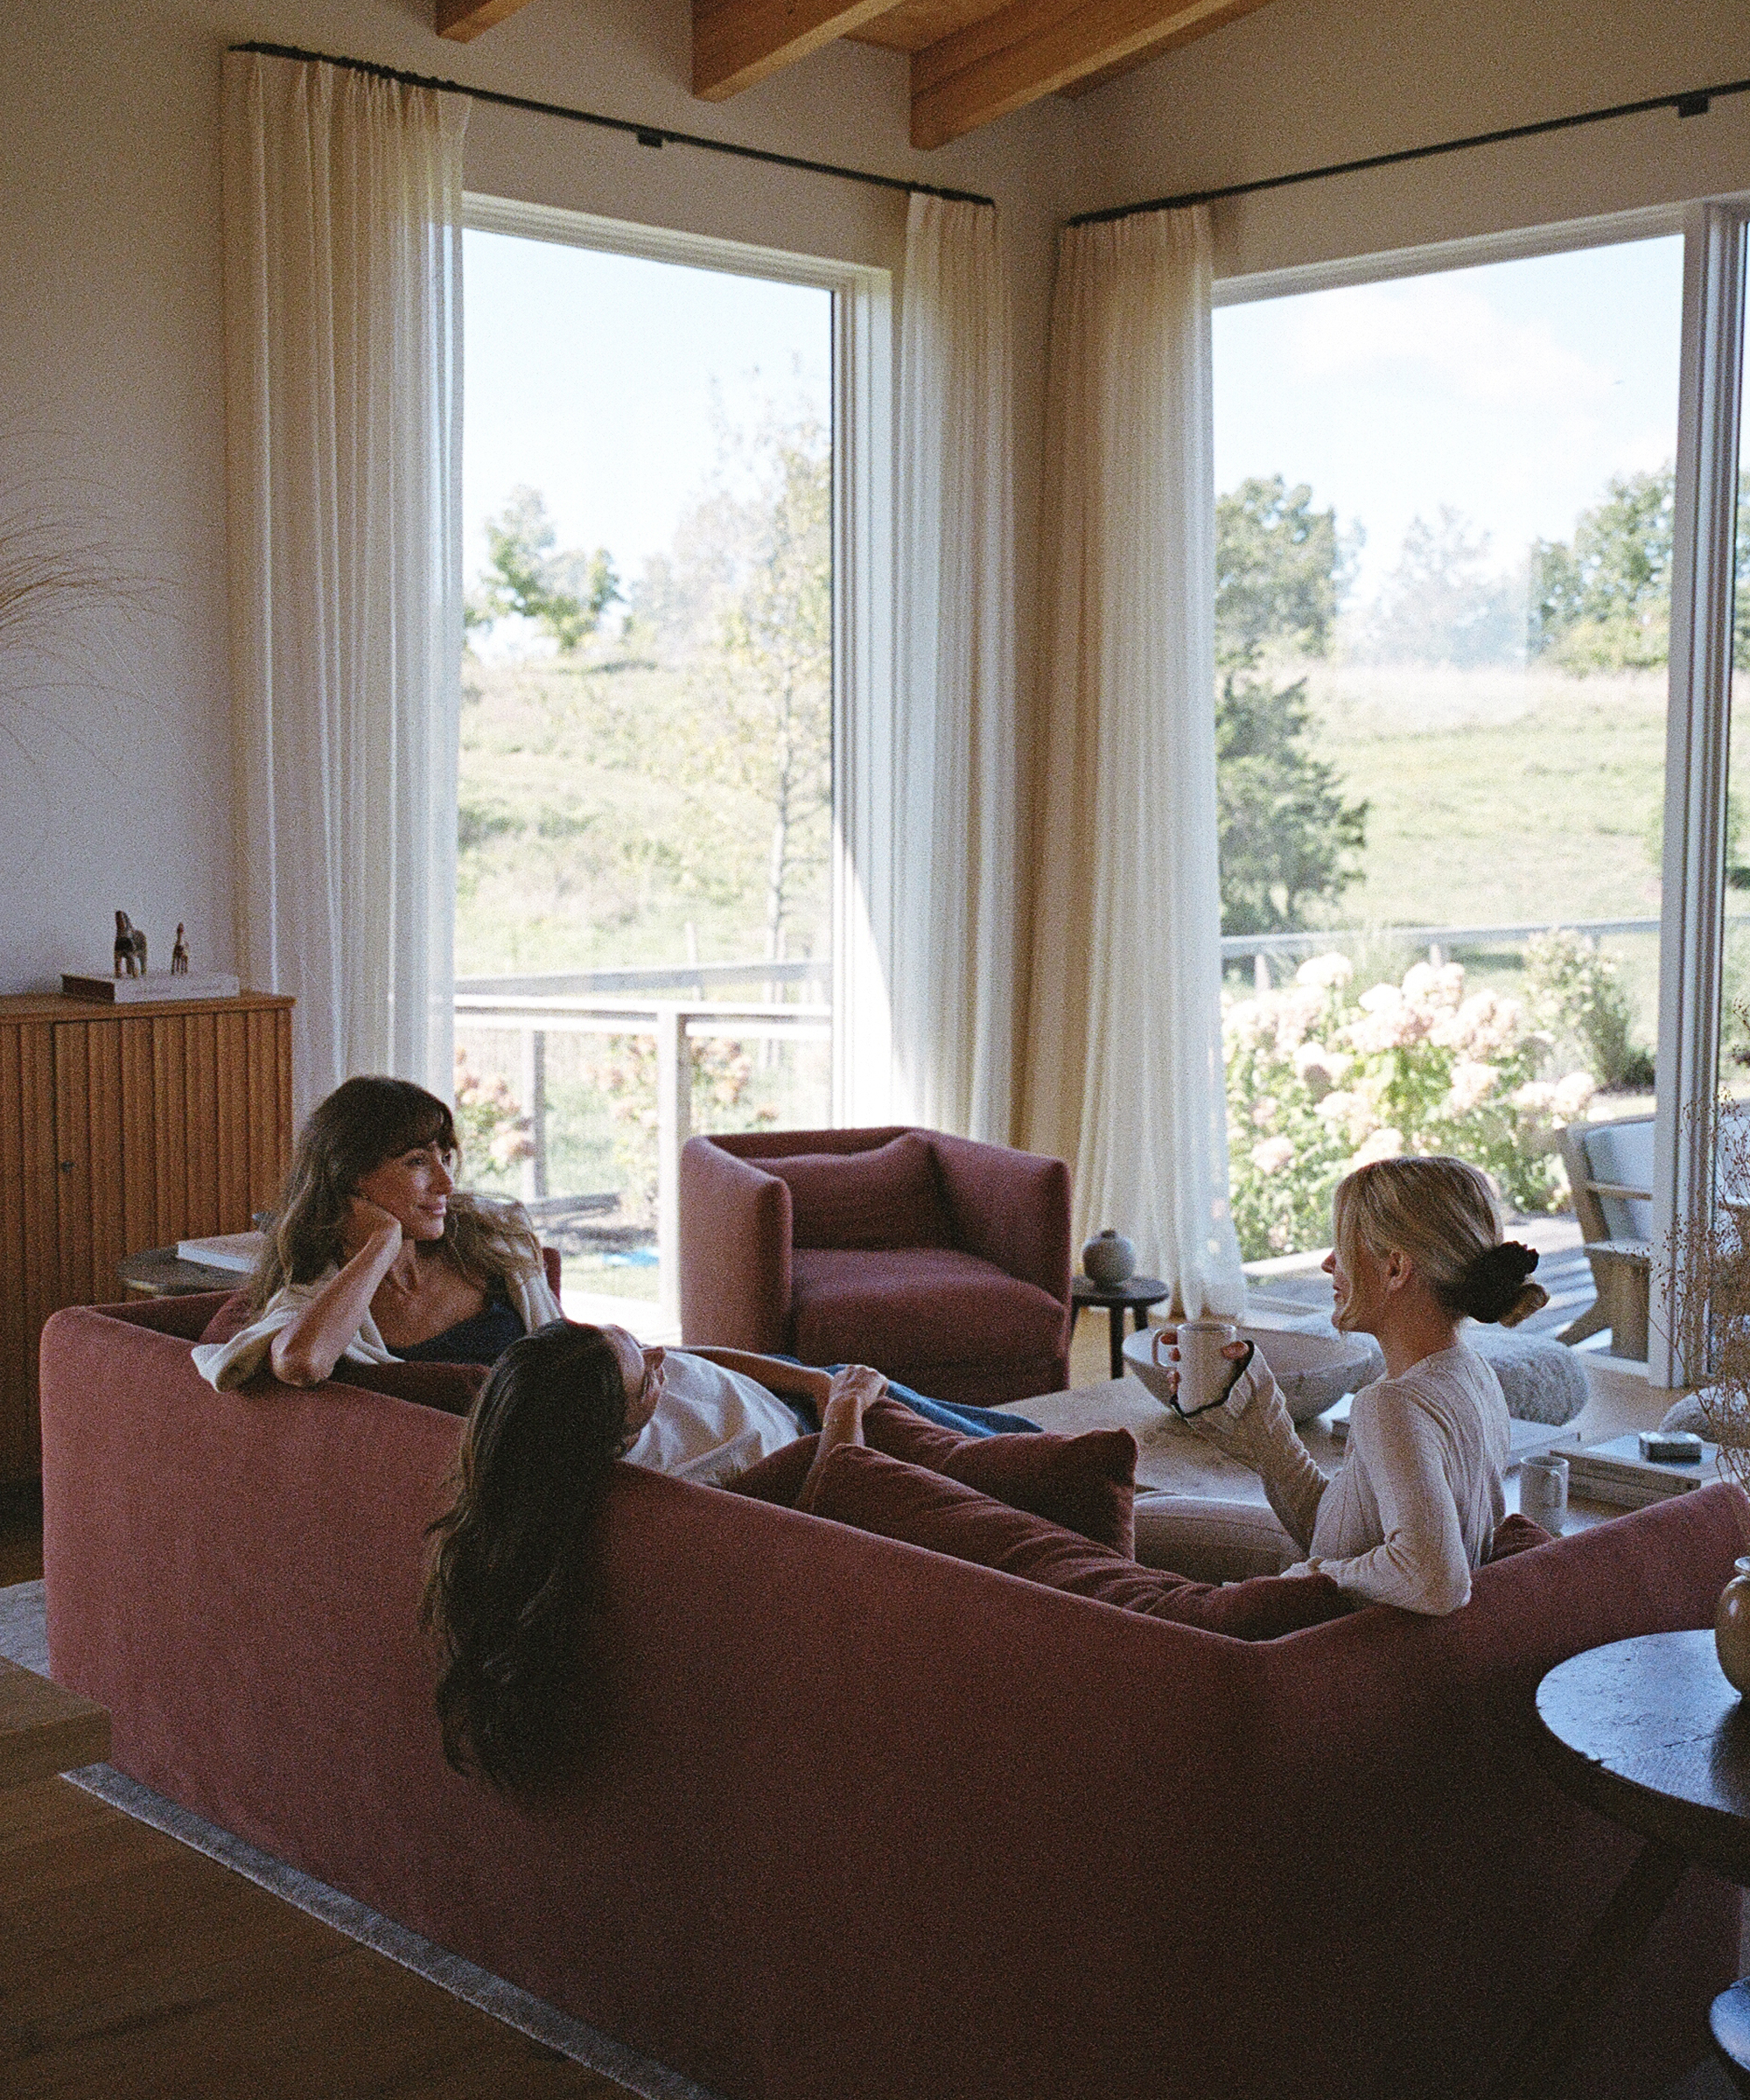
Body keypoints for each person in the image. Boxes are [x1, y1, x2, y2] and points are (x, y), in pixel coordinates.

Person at [421, 1319, 887, 1793]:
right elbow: (831, 1531)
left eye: (638, 1343)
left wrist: (813, 1381)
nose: (658, 1355)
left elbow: (686, 1359)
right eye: (644, 1375)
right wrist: (844, 1405)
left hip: (796, 1383)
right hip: (834, 1433)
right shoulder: (673, 1490)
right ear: (617, 1440)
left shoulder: (579, 1389)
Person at [1154, 1155, 1545, 1615]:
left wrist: (1307, 1577)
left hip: (1337, 1651)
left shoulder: (1393, 1404)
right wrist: (1266, 1429)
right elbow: (1346, 1534)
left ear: (1396, 1268)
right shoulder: (1471, 1373)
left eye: (1342, 1245)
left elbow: (1435, 1581)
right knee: (1152, 1507)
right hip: (1384, 1631)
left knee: (1111, 1529)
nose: (1327, 1263)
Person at [192, 1074, 565, 1391]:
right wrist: (382, 1244)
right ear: (352, 1176)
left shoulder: (492, 1241)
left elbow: (565, 1358)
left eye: (446, 1157)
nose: (446, 1184)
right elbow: (300, 1362)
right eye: (416, 1162)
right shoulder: (320, 1288)